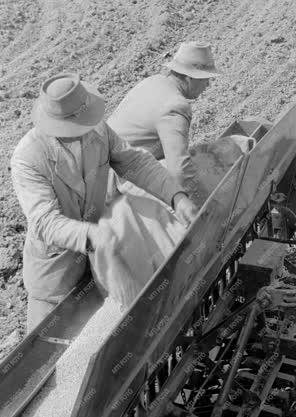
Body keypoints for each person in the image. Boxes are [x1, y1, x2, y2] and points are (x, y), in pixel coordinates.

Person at [11, 73, 197, 329]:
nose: (82, 132)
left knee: (113, 334)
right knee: (47, 350)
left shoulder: (96, 129)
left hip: (101, 260)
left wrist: (176, 196)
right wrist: (92, 235)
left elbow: (134, 162)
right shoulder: (29, 158)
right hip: (57, 271)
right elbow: (44, 222)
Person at [108, 41, 218, 194]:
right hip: (118, 185)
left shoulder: (153, 81)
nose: (208, 85)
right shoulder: (176, 105)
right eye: (205, 78)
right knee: (202, 168)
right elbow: (180, 172)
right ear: (189, 78)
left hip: (102, 175)